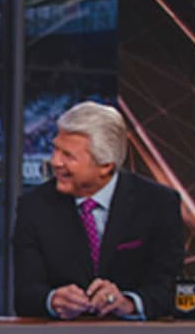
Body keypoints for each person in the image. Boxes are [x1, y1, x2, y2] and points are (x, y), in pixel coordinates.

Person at [13, 101, 184, 320]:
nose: (55, 162)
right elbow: (24, 294)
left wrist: (129, 303)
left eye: (68, 155)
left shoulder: (159, 204)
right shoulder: (34, 207)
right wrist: (52, 300)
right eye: (55, 149)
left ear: (105, 166)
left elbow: (170, 288)